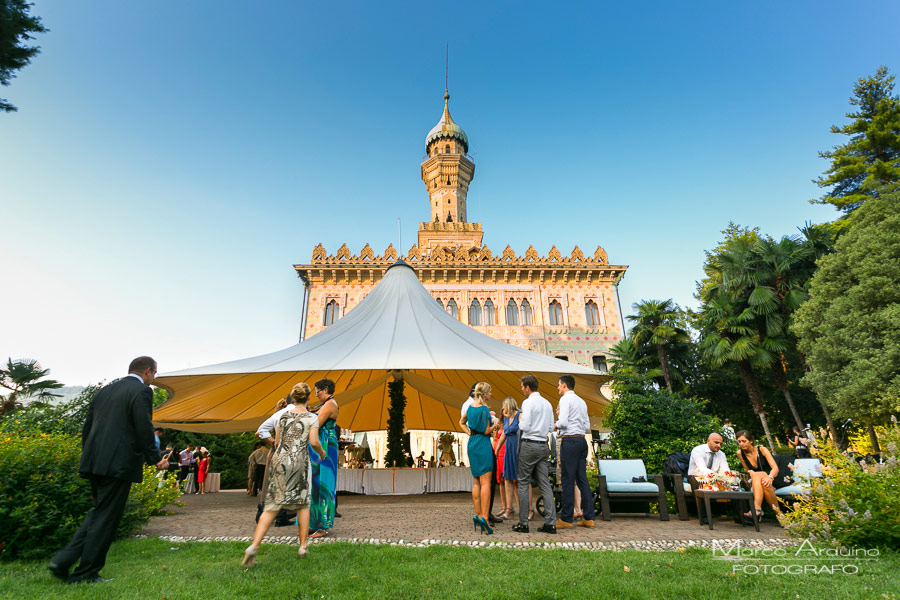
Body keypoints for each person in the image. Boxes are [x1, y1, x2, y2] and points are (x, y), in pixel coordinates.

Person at [49, 356, 168, 584]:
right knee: (106, 518)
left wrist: (89, 457)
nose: (153, 379)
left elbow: (88, 426)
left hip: (95, 462)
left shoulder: (105, 390)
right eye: (154, 374)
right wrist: (154, 459)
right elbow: (143, 427)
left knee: (99, 513)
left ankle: (63, 561)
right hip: (118, 465)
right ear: (148, 371)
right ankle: (86, 574)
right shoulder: (142, 391)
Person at [242, 383, 324, 566]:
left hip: (279, 461)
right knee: (303, 504)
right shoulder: (311, 417)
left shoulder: (281, 416)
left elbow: (277, 441)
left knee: (272, 505)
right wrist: (322, 453)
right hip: (298, 462)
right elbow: (314, 442)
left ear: (292, 398)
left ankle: (254, 546)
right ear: (309, 398)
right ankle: (303, 546)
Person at [512, 375, 557, 534]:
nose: (522, 390)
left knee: (523, 482)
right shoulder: (547, 403)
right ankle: (550, 523)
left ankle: (523, 523)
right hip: (543, 445)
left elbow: (524, 425)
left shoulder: (527, 402)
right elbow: (551, 427)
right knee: (545, 483)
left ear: (527, 387)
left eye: (522, 387)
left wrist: (520, 418)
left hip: (529, 444)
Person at [554, 375, 596, 529]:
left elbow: (563, 421)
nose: (558, 388)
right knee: (582, 479)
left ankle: (566, 518)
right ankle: (589, 517)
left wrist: (554, 425)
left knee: (567, 479)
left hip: (570, 441)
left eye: (558, 385)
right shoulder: (581, 400)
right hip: (581, 440)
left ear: (564, 385)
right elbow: (586, 425)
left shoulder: (565, 399)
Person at [464, 382, 499, 534]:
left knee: (476, 482)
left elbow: (461, 422)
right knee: (486, 483)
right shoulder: (484, 409)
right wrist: (495, 426)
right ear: (484, 394)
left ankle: (477, 515)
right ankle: (485, 517)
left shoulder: (470, 407)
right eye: (490, 392)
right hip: (483, 444)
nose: (491, 395)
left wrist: (469, 432)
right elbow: (486, 431)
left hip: (472, 443)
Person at [309, 378, 339, 539]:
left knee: (325, 485)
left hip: (326, 445)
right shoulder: (324, 405)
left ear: (326, 389)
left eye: (318, 392)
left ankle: (323, 526)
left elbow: (316, 423)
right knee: (315, 484)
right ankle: (313, 522)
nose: (316, 395)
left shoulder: (330, 404)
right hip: (321, 443)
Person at [735, 430, 782, 520]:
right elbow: (749, 470)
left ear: (751, 441)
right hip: (761, 482)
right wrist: (751, 473)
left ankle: (757, 508)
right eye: (739, 442)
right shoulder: (740, 453)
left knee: (761, 475)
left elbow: (775, 468)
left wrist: (770, 478)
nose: (741, 444)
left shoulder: (762, 450)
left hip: (773, 478)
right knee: (761, 480)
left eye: (744, 441)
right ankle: (780, 516)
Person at [496, 396, 526, 521]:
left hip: (518, 450)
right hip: (509, 450)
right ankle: (508, 508)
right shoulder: (507, 418)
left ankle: (522, 509)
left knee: (518, 480)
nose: (502, 409)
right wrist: (497, 450)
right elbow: (504, 434)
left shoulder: (520, 415)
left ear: (509, 406)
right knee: (507, 479)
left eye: (504, 407)